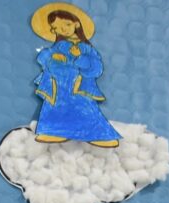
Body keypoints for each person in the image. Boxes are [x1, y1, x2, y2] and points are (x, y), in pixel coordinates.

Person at [31, 4, 121, 147]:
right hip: (58, 86)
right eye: (57, 28)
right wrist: (52, 56)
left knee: (84, 109)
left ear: (76, 24)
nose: (63, 30)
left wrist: (81, 58)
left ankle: (98, 135)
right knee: (55, 109)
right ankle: (53, 132)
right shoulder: (58, 46)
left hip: (78, 86)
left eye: (66, 24)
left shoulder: (87, 48)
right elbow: (43, 58)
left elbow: (96, 68)